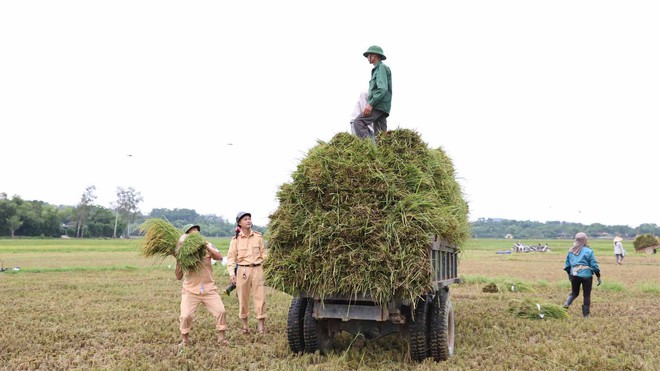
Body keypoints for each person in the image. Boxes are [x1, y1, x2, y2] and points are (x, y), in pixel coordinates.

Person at [175, 224, 228, 346]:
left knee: (221, 311)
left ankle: (221, 338)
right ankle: (185, 340)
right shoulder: (183, 253)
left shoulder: (207, 245)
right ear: (186, 235)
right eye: (192, 231)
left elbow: (219, 257)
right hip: (190, 290)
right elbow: (178, 277)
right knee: (186, 315)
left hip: (209, 289)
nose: (195, 233)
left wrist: (206, 247)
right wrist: (178, 260)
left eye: (196, 231)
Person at [226, 212, 268, 334]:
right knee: (243, 299)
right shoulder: (236, 240)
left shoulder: (258, 237)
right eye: (245, 219)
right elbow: (230, 258)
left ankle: (261, 327)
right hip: (242, 271)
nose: (248, 221)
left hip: (258, 269)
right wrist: (231, 273)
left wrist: (266, 264)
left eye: (249, 218)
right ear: (240, 223)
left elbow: (264, 253)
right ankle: (245, 327)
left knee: (260, 298)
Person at [352, 45, 392, 140]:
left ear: (374, 56)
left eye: (368, 55)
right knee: (380, 135)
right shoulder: (378, 69)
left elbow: (382, 89)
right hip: (383, 106)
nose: (367, 58)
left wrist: (370, 104)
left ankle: (369, 149)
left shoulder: (381, 68)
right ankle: (382, 152)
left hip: (378, 105)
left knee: (358, 122)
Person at [563, 232, 601, 318]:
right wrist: (598, 276)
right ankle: (586, 316)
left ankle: (566, 303)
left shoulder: (571, 251)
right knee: (586, 295)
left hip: (574, 275)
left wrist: (570, 275)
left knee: (574, 293)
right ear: (585, 240)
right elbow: (594, 265)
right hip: (586, 275)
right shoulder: (589, 251)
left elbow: (567, 265)